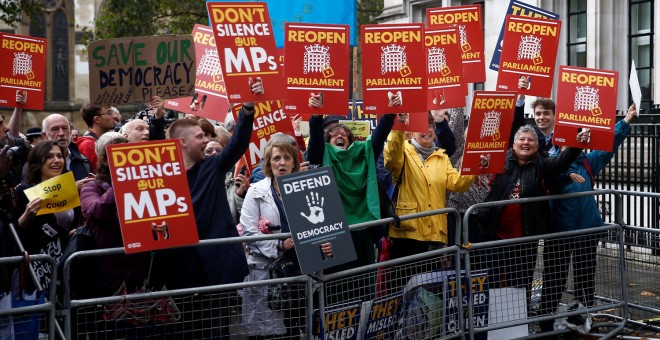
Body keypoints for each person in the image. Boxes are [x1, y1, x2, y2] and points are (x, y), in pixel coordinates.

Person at [158, 79, 262, 338]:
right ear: (181, 143)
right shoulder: (161, 176)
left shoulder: (213, 166)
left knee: (217, 330)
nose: (207, 139)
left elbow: (238, 143)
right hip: (180, 269)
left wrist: (247, 107)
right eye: (200, 136)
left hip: (217, 267)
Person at [541, 104, 638, 330]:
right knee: (554, 278)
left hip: (588, 228)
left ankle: (584, 316)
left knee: (585, 277)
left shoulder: (588, 161)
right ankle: (545, 321)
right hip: (560, 230)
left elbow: (610, 144)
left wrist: (627, 119)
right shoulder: (551, 163)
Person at [477, 125, 590, 316]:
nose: (526, 143)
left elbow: (562, 162)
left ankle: (519, 322)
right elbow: (481, 167)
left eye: (530, 140)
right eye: (522, 139)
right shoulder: (501, 159)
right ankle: (495, 323)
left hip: (525, 237)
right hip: (496, 233)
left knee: (521, 280)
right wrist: (482, 163)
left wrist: (576, 144)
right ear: (513, 144)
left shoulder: (542, 164)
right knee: (495, 278)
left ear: (537, 147)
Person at [306, 94, 395, 302]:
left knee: (363, 282)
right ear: (328, 140)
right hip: (335, 231)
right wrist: (317, 116)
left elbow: (379, 136)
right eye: (334, 133)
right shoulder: (322, 154)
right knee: (337, 286)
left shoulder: (363, 153)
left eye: (344, 133)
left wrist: (389, 114)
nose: (340, 134)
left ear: (350, 139)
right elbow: (316, 143)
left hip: (362, 230)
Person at [240, 141, 323, 338]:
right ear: (269, 163)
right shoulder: (256, 191)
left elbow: (321, 224)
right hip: (268, 270)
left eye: (287, 158)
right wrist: (279, 245)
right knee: (268, 329)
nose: (282, 163)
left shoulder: (306, 189)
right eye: (277, 158)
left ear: (295, 163)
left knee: (294, 327)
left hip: (299, 269)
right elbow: (249, 232)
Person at [383, 112, 478, 264]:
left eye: (430, 126)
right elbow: (391, 156)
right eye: (421, 126)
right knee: (404, 286)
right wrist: (398, 127)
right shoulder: (403, 152)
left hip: (434, 236)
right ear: (412, 132)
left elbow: (458, 184)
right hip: (407, 234)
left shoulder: (442, 157)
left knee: (430, 286)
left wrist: (474, 163)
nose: (427, 130)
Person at [15, 141, 81, 291]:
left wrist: (74, 232)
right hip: (38, 265)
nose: (56, 160)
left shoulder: (71, 190)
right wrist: (26, 216)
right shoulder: (25, 190)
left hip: (66, 262)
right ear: (38, 161)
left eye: (60, 156)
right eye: (49, 156)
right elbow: (15, 230)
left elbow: (73, 223)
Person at [41, 114, 93, 185]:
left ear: (70, 131)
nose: (61, 133)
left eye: (65, 128)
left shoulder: (84, 162)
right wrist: (73, 188)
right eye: (55, 129)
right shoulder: (35, 164)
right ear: (44, 136)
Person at [76, 103, 116, 172]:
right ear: (97, 119)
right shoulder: (89, 145)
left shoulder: (95, 142)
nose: (114, 116)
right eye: (109, 113)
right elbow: (100, 174)